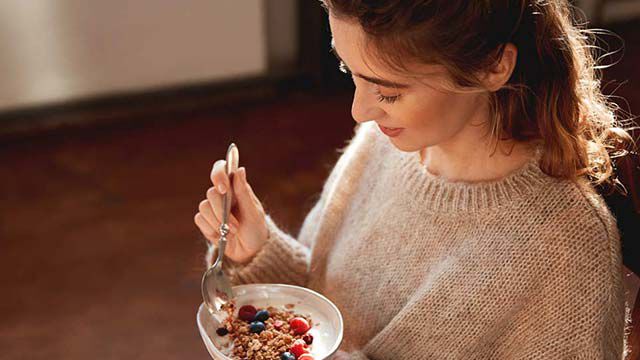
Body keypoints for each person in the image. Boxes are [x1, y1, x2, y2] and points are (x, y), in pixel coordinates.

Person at [194, 1, 635, 358]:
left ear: (491, 68)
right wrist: (258, 251)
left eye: (388, 91)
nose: (359, 111)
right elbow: (327, 312)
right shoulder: (382, 145)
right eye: (351, 73)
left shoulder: (566, 247)